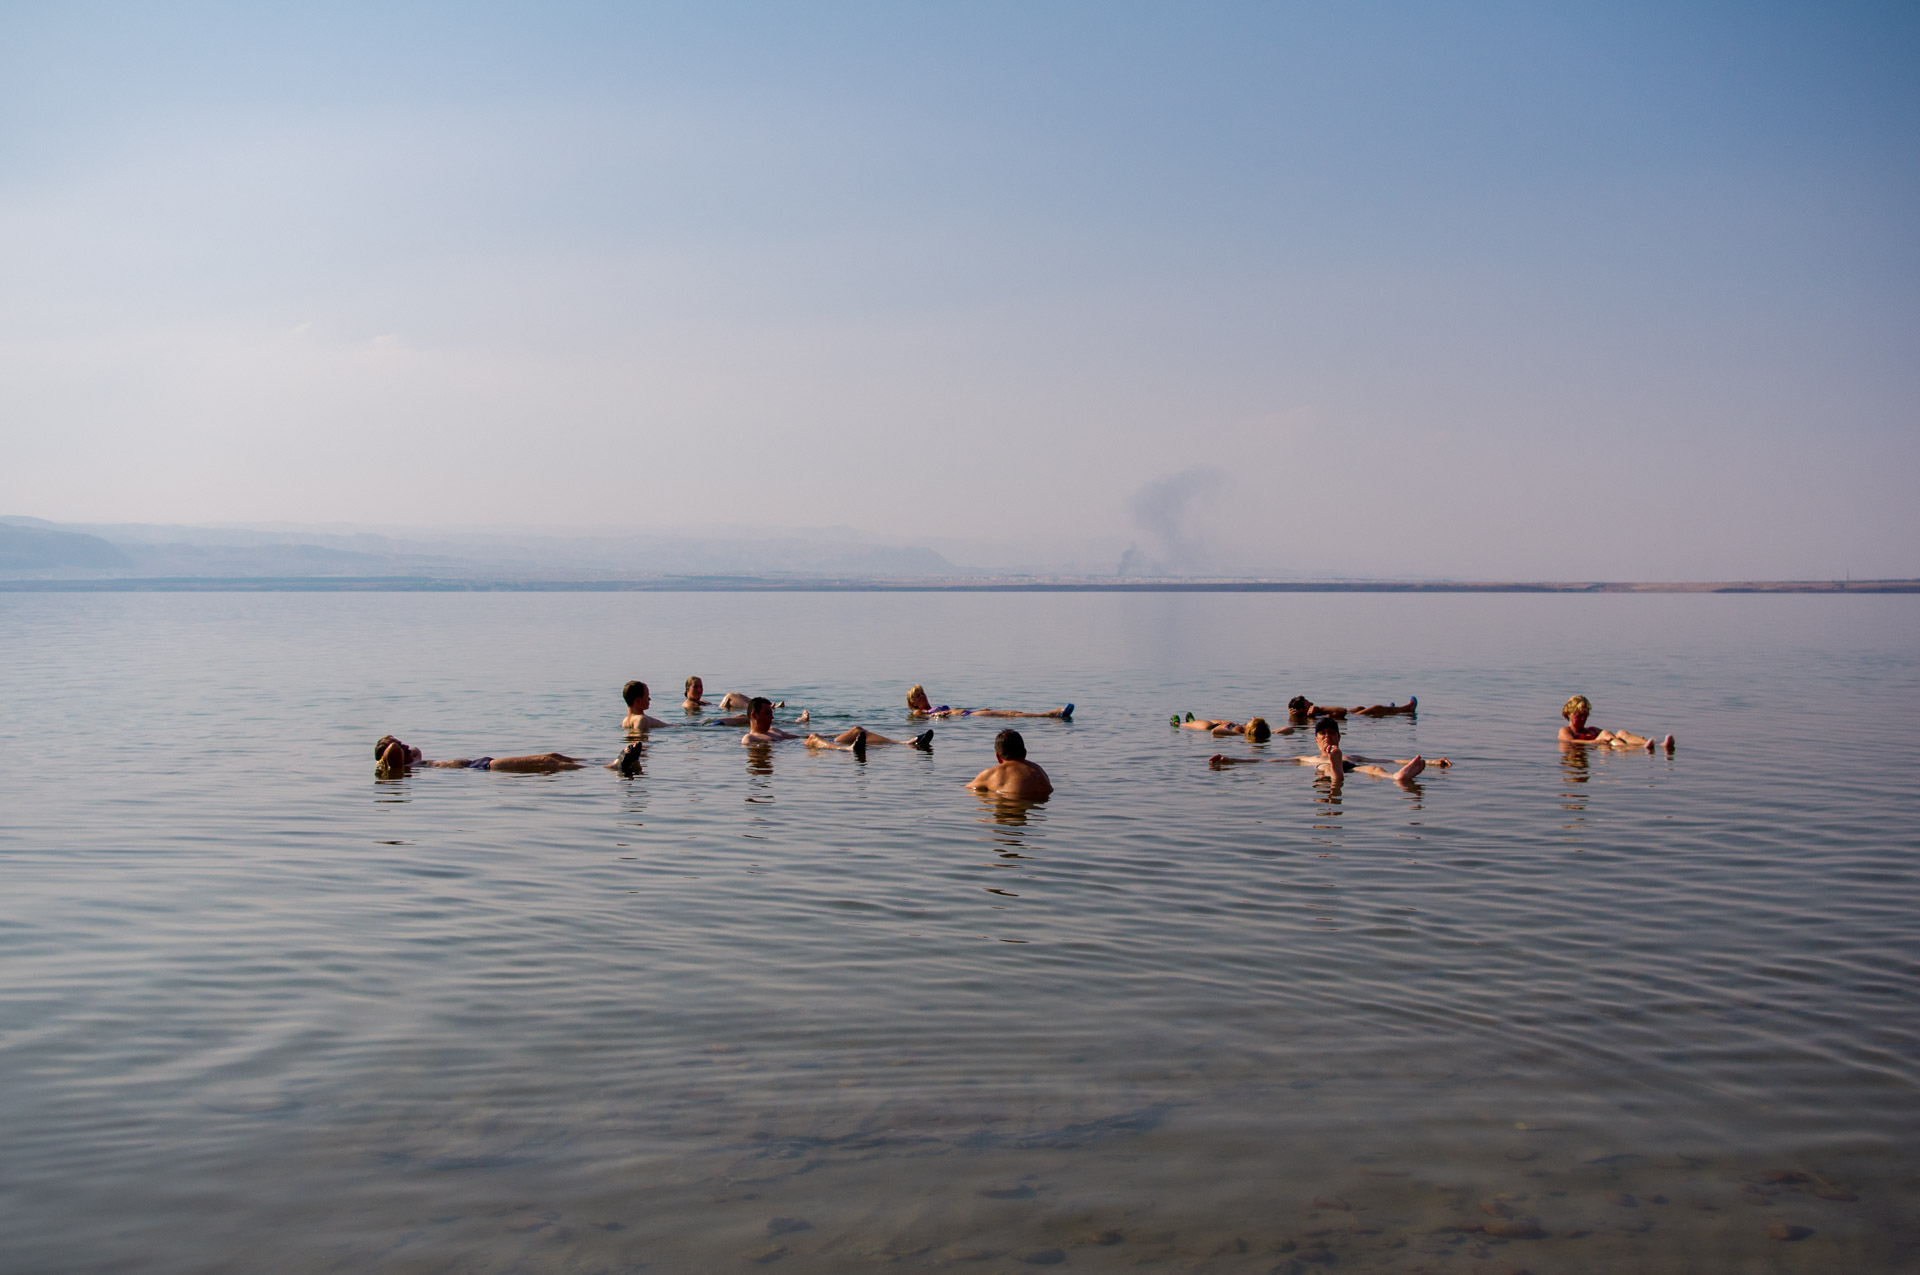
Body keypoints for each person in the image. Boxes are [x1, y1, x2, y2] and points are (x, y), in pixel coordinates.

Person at [1209, 717, 1443, 783]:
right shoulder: (1307, 758)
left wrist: (1433, 762)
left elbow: (1392, 758)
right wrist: (1229, 759)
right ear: (1316, 740)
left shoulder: (1354, 755)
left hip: (1350, 764)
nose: (1327, 736)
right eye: (1323, 735)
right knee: (1329, 771)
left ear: (1339, 737)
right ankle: (1336, 769)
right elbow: (1268, 762)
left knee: (1375, 767)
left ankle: (1398, 777)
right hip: (1327, 768)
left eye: (1332, 734)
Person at [376, 735, 643, 776]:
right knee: (546, 763)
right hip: (483, 769)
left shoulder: (415, 763)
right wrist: (387, 753)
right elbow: (389, 753)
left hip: (478, 763)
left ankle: (606, 762)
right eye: (401, 746)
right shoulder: (401, 770)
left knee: (553, 754)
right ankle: (614, 767)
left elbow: (402, 752)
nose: (406, 747)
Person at [740, 697, 928, 752]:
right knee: (813, 738)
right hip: (805, 749)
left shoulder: (775, 730)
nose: (772, 718)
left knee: (856, 730)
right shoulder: (749, 738)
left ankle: (905, 743)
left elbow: (799, 737)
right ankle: (848, 750)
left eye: (772, 714)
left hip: (810, 743)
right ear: (754, 715)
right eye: (768, 714)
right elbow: (750, 750)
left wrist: (834, 734)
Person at [1559, 695, 1674, 751]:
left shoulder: (1591, 729)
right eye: (1579, 716)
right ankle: (1637, 748)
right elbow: (1570, 741)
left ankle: (1658, 745)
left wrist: (1631, 738)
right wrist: (1596, 741)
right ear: (1569, 714)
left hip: (1611, 747)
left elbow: (1613, 736)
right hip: (1608, 750)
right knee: (1606, 734)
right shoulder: (1566, 731)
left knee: (1621, 733)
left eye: (1585, 715)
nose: (1583, 719)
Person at [967, 729, 1054, 799]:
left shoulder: (992, 773)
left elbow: (969, 788)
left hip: (1013, 802)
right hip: (1041, 802)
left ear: (998, 756)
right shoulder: (1038, 769)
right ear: (1025, 752)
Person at [908, 684, 1073, 720]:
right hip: (969, 716)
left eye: (922, 693)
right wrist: (938, 715)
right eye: (918, 696)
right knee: (1010, 714)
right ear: (914, 703)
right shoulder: (918, 712)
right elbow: (923, 717)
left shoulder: (936, 706)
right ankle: (1051, 714)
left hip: (970, 713)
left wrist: (981, 709)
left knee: (1011, 713)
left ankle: (1050, 715)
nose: (922, 696)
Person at [1177, 714, 1287, 741]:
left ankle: (1178, 723)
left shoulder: (1240, 734)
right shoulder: (1263, 732)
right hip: (1230, 724)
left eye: (1252, 721)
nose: (1252, 718)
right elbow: (1290, 729)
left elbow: (1215, 731)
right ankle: (1193, 721)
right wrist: (1271, 732)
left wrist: (1238, 734)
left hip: (1210, 727)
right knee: (1209, 719)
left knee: (1195, 725)